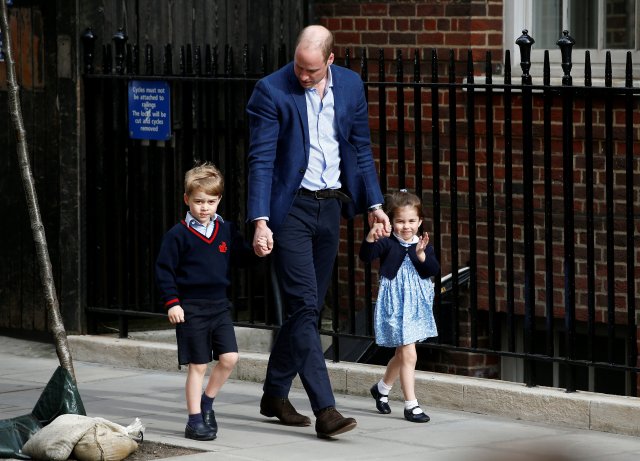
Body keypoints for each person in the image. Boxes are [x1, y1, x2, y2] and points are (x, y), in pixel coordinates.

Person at [246, 24, 391, 438]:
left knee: (302, 311)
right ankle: (325, 409)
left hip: (330, 208)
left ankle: (274, 393)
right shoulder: (271, 90)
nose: (302, 76)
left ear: (329, 60)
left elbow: (361, 148)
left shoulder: (350, 85)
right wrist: (260, 220)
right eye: (298, 66)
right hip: (289, 210)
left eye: (311, 70)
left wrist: (375, 206)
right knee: (306, 307)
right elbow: (260, 160)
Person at [155, 162, 255, 441]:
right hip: (191, 309)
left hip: (219, 306)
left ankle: (207, 402)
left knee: (230, 358)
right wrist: (172, 303)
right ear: (187, 200)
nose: (205, 207)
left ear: (219, 200)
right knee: (198, 365)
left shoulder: (226, 230)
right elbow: (164, 271)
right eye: (199, 201)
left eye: (211, 201)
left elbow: (242, 257)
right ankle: (194, 420)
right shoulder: (177, 235)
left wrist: (260, 249)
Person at [359, 189, 440, 423]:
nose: (406, 227)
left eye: (412, 221)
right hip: (395, 303)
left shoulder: (422, 245)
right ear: (392, 222)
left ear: (420, 221)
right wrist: (371, 237)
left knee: (402, 354)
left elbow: (432, 270)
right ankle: (411, 405)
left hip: (415, 306)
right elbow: (366, 256)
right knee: (409, 354)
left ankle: (382, 389)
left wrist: (422, 255)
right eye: (401, 221)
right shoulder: (387, 243)